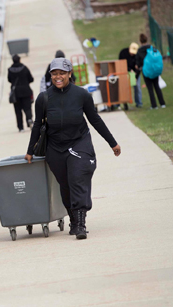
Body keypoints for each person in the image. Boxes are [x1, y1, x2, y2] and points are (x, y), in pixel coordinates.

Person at [25, 58, 121, 240]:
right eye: (54, 74)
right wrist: (30, 150)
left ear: (69, 73)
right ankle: (73, 220)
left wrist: (112, 142)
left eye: (62, 73)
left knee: (78, 179)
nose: (58, 77)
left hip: (79, 142)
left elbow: (95, 120)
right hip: (55, 148)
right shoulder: (44, 98)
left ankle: (81, 223)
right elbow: (37, 125)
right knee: (66, 185)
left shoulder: (81, 94)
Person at [135, 33, 166, 109]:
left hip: (146, 71)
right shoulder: (152, 47)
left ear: (140, 41)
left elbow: (138, 63)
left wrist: (137, 67)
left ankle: (154, 105)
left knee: (150, 89)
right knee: (157, 86)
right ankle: (162, 104)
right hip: (154, 70)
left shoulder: (140, 51)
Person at [8, 54, 34, 132]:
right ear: (20, 60)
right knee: (28, 108)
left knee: (18, 110)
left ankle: (20, 127)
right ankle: (29, 119)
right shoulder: (24, 68)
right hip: (26, 91)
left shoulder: (10, 70)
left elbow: (9, 80)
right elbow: (31, 79)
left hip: (16, 93)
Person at [119, 42, 143, 109]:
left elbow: (139, 66)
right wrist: (129, 69)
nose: (132, 53)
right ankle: (124, 102)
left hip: (135, 73)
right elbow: (121, 64)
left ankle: (139, 102)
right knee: (124, 87)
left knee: (137, 87)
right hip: (125, 72)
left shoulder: (138, 55)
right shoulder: (123, 53)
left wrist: (136, 76)